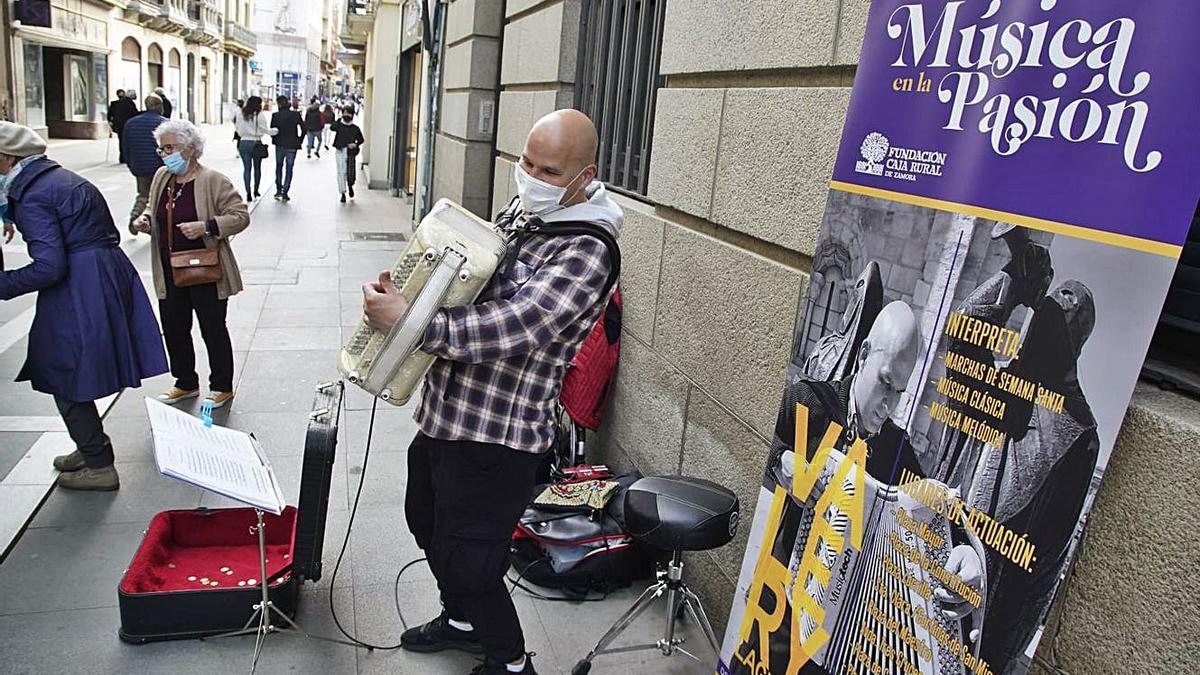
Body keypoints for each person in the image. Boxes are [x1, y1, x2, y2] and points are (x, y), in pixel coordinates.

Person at [361, 109, 621, 675]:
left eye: (548, 170)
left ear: (585, 175)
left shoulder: (590, 247)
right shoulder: (528, 212)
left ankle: (508, 660)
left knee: (471, 559)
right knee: (424, 519)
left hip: (499, 434)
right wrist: (411, 287)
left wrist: (410, 323)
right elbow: (469, 274)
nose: (530, 176)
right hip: (447, 412)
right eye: (525, 162)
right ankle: (461, 622)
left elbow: (519, 324)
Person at [735, 301, 986, 675]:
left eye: (900, 392)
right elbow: (752, 433)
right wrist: (780, 458)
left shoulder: (898, 451)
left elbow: (936, 521)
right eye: (886, 383)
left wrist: (969, 555)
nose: (889, 405)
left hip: (844, 641)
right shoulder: (810, 401)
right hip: (778, 615)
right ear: (864, 355)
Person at [0, 122, 168, 491]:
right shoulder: (56, 178)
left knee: (64, 370)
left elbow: (49, 266)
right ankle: (88, 445)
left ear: (8, 158)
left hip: (80, 284)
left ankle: (98, 463)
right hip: (102, 273)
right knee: (76, 368)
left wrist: (4, 284)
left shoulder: (33, 195)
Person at [967, 280, 1099, 671]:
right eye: (1043, 319)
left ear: (1075, 343)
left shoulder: (1079, 432)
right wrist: (1011, 279)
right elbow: (963, 332)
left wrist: (1000, 653)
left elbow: (1044, 565)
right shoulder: (1007, 386)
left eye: (1059, 325)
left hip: (989, 616)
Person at [131, 120, 249, 410]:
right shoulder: (162, 176)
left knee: (212, 328)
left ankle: (221, 386)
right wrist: (146, 220)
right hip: (170, 269)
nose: (164, 154)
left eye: (170, 148)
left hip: (205, 271)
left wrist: (206, 227)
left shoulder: (213, 180)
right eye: (161, 149)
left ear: (191, 149)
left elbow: (240, 216)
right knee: (174, 327)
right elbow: (152, 205)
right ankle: (185, 382)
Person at [121, 94, 168, 236]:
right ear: (159, 107)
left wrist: (131, 164)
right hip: (159, 167)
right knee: (159, 196)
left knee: (143, 194)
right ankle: (149, 223)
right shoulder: (164, 124)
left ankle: (136, 217)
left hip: (139, 166)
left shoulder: (131, 123)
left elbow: (125, 146)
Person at [234, 96, 275, 199]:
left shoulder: (241, 114)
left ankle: (248, 193)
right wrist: (274, 131)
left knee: (246, 169)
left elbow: (237, 128)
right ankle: (256, 190)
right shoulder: (259, 115)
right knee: (257, 168)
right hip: (256, 142)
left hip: (243, 142)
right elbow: (265, 129)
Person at [269, 95, 304, 201]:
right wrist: (299, 140)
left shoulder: (276, 116)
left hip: (279, 144)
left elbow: (272, 131)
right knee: (289, 168)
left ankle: (278, 189)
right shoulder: (296, 115)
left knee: (279, 166)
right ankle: (285, 191)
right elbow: (304, 129)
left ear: (279, 104)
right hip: (292, 145)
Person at [330, 106, 364, 203]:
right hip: (340, 150)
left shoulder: (355, 128)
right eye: (345, 113)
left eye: (349, 113)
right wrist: (339, 119)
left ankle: (350, 185)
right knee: (341, 172)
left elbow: (361, 140)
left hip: (350, 153)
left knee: (350, 173)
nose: (347, 115)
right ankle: (343, 193)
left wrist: (355, 144)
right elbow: (332, 127)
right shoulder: (339, 125)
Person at [108, 89, 138, 164]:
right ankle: (126, 157)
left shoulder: (118, 103)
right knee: (128, 141)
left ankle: (122, 157)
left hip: (119, 125)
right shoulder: (130, 103)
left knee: (121, 141)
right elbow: (134, 114)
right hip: (127, 125)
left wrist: (112, 122)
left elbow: (112, 114)